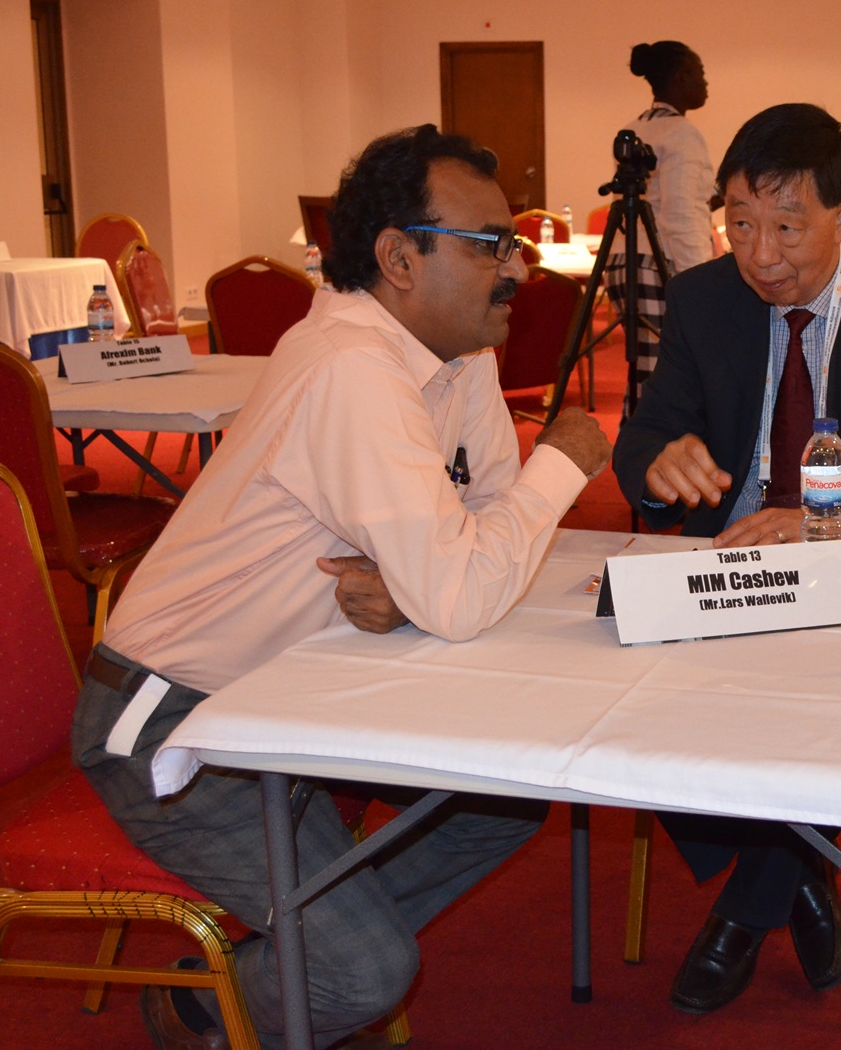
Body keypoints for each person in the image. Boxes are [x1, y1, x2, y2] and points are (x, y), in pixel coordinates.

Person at [72, 124, 612, 1050]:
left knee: (502, 804)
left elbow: (480, 541)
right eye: (490, 245)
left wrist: (420, 581)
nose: (517, 270)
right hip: (174, 718)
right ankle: (224, 1001)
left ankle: (288, 963)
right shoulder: (349, 366)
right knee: (367, 971)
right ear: (398, 258)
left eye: (513, 242)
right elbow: (467, 586)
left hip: (298, 692)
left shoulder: (456, 354)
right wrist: (557, 465)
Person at [612, 103, 841, 1014]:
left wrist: (831, 525)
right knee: (624, 691)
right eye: (740, 224)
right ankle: (804, 879)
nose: (760, 255)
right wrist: (657, 461)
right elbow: (644, 435)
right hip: (737, 558)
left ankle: (745, 910)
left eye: (786, 227)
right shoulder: (703, 299)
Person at [607, 40, 716, 409]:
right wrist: (698, 280)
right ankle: (647, 441)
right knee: (663, 378)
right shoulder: (682, 133)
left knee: (645, 373)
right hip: (657, 264)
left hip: (623, 260)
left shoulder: (633, 127)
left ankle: (635, 436)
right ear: (680, 77)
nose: (706, 83)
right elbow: (680, 214)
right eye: (700, 73)